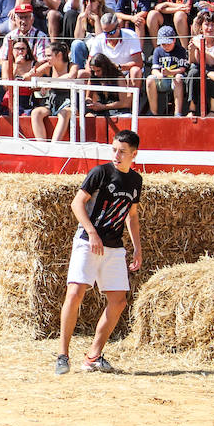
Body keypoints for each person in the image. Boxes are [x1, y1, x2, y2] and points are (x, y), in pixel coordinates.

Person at [55, 130, 143, 376]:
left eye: (122, 151)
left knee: (119, 301)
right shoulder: (100, 173)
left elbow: (132, 215)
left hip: (114, 247)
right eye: (114, 149)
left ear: (133, 154)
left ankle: (93, 356)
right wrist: (92, 233)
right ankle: (63, 355)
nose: (116, 154)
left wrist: (137, 247)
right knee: (75, 292)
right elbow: (76, 203)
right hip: (87, 242)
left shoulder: (136, 181)